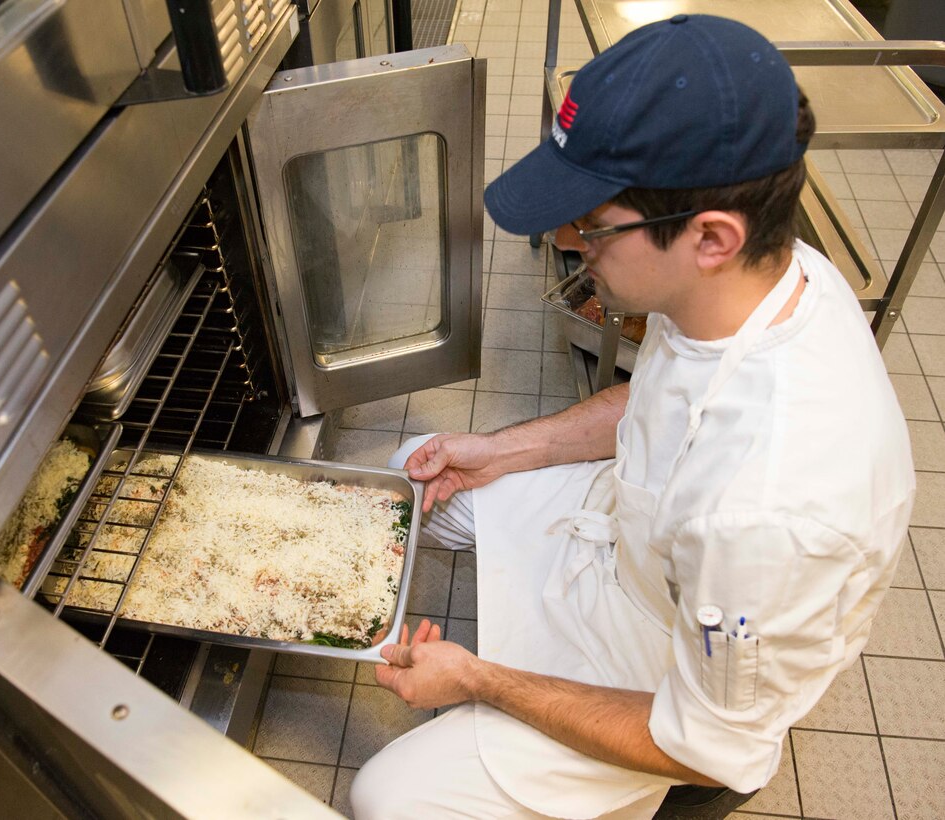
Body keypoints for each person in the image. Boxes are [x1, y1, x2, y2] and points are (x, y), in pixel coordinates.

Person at [348, 13, 916, 820]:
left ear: (710, 237)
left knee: (388, 798)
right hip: (630, 533)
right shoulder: (762, 274)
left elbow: (707, 746)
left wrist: (477, 679)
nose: (563, 239)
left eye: (592, 227)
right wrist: (501, 452)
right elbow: (657, 401)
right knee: (400, 476)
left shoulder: (772, 512)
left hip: (670, 656)